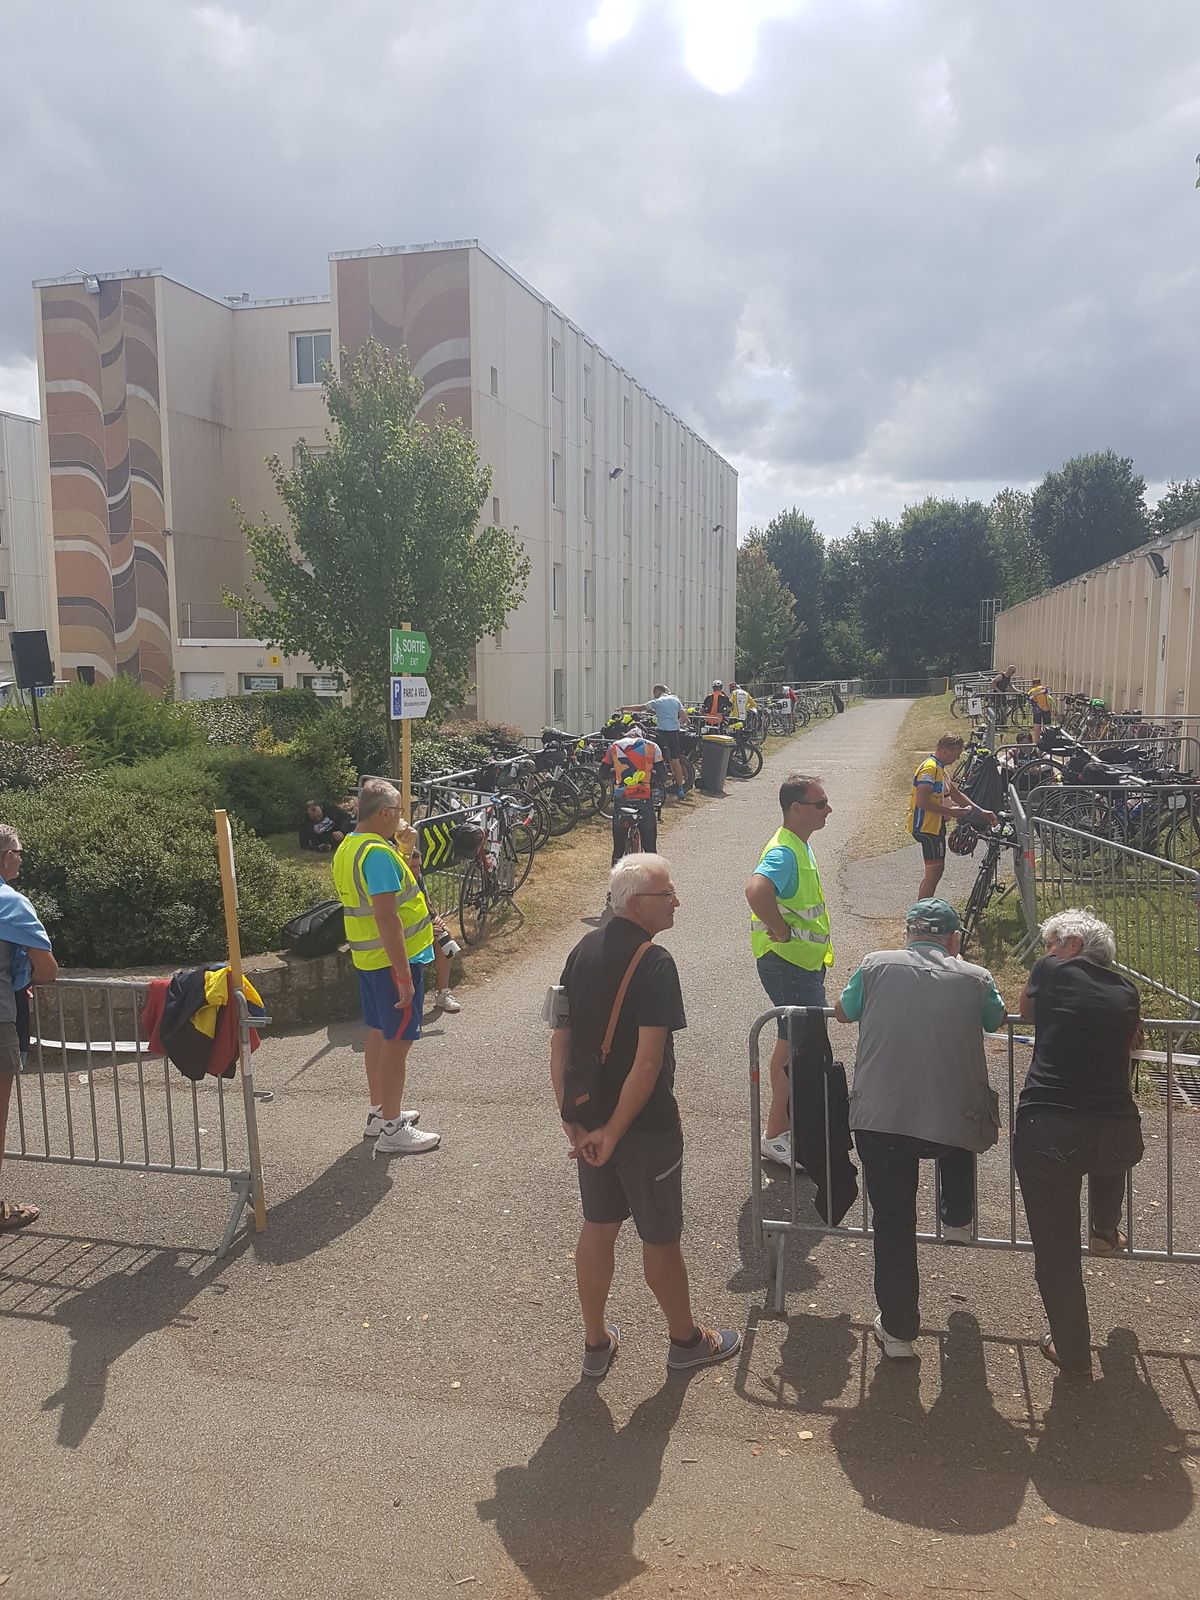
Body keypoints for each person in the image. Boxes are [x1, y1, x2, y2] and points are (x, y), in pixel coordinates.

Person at [550, 853, 741, 1378]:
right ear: (636, 904)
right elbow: (648, 1062)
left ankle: (595, 1343)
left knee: (598, 1226)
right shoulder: (655, 963)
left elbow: (560, 1042)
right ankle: (685, 1340)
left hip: (591, 1123)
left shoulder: (580, 950)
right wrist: (614, 1132)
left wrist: (575, 1123)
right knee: (660, 1238)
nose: (677, 901)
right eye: (667, 893)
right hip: (645, 1128)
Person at [835, 899, 1006, 1359]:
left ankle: (898, 1332)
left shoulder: (875, 965)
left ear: (907, 934)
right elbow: (996, 1020)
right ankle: (957, 1216)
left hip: (881, 1116)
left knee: (892, 1222)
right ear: (953, 939)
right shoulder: (976, 977)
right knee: (959, 1125)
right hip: (950, 1119)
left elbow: (845, 1010)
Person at [1014, 910, 1143, 1379]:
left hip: (1050, 1121)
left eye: (1052, 941)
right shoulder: (1127, 990)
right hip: (1116, 1123)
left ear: (1071, 945)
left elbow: (1027, 1012)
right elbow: (1131, 1041)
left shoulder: (1051, 970)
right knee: (1109, 1151)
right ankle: (1105, 1228)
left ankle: (1072, 1351)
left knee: (1056, 1250)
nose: (1047, 950)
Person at [331, 779, 440, 1156]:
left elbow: (385, 891)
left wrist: (404, 850)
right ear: (385, 813)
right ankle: (393, 1129)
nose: (402, 818)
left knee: (379, 1034)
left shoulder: (351, 846)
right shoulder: (377, 854)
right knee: (398, 1042)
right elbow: (387, 916)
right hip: (394, 962)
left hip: (370, 960)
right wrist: (405, 976)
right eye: (399, 811)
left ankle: (380, 1113)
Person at [746, 773, 834, 1169]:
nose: (828, 809)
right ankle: (777, 1135)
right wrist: (779, 930)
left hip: (801, 963)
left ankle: (780, 1130)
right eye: (820, 804)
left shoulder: (798, 844)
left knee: (790, 1044)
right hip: (790, 964)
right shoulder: (785, 851)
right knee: (800, 1049)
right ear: (796, 809)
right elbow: (756, 889)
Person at [0, 825, 59, 1232]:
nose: (21, 858)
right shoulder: (11, 903)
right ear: (5, 857)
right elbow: (47, 969)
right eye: (18, 852)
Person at [909, 734, 997, 900]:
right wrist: (951, 812)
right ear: (944, 750)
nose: (957, 758)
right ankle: (921, 910)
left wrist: (981, 811)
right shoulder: (929, 769)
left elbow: (957, 795)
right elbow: (922, 801)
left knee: (935, 872)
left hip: (935, 826)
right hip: (926, 827)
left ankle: (922, 906)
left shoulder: (940, 769)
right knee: (934, 872)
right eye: (956, 754)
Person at [396, 823, 461, 1015]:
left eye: (419, 866)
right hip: (401, 931)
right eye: (413, 867)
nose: (417, 870)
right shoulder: (396, 879)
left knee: (445, 937)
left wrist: (436, 919)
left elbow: (426, 903)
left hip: (419, 926)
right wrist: (426, 928)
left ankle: (443, 993)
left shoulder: (418, 876)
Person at [602, 723, 667, 865]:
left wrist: (619, 773)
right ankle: (653, 877)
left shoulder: (614, 746)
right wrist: (647, 774)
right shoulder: (652, 746)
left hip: (622, 798)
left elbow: (602, 774)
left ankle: (615, 876)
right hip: (644, 798)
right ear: (643, 734)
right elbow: (663, 777)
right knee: (650, 849)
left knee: (618, 849)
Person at [644, 683, 688, 800]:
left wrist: (623, 709)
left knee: (659, 760)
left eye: (654, 693)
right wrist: (675, 722)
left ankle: (660, 788)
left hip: (661, 734)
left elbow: (640, 707)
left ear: (657, 691)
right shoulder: (676, 700)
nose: (654, 696)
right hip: (674, 733)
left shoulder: (658, 702)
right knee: (675, 761)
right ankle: (680, 789)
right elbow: (684, 718)